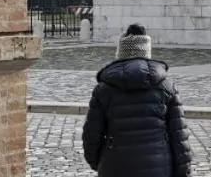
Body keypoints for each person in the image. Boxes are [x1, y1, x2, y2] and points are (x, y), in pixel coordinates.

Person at [82, 23, 192, 177]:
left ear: (121, 53)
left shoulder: (103, 90)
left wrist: (100, 163)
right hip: (159, 166)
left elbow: (91, 136)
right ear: (147, 51)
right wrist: (183, 172)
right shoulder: (167, 87)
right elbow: (179, 136)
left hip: (115, 166)